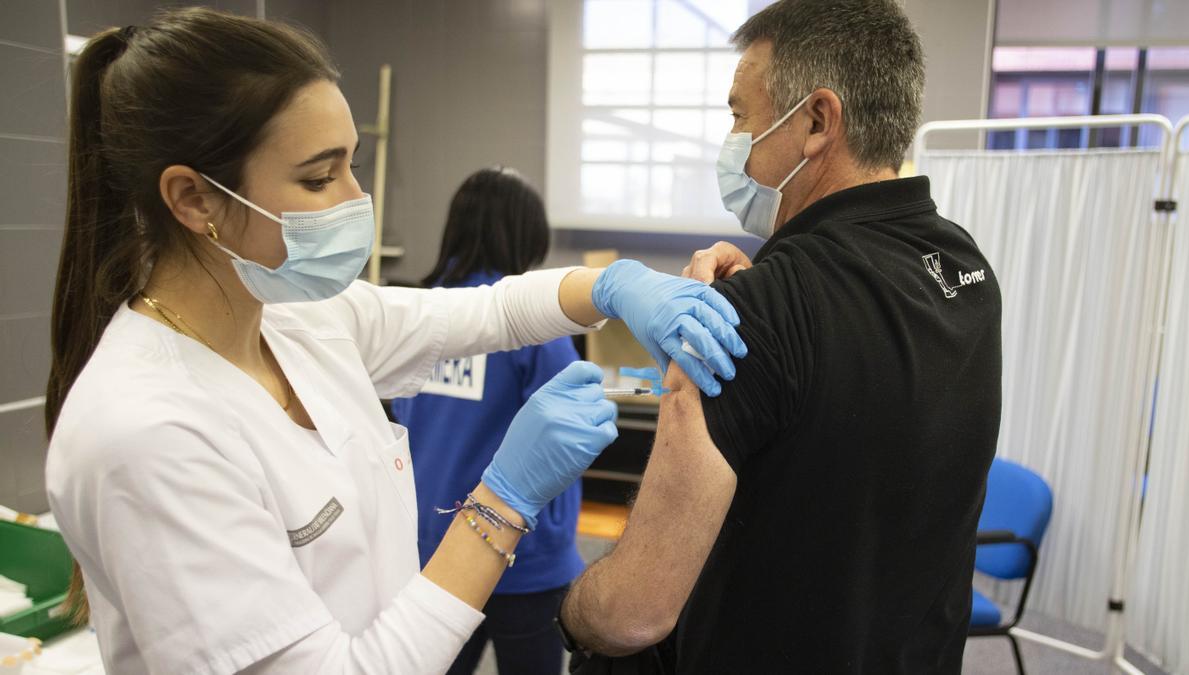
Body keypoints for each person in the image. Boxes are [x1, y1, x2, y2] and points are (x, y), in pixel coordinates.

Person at [41, 9, 746, 674]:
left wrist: (614, 285)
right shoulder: (146, 433)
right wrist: (500, 502)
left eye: (351, 163)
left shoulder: (298, 318)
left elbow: (486, 312)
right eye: (319, 176)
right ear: (194, 199)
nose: (355, 198)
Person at [557, 1, 1002, 673]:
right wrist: (765, 282)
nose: (732, 137)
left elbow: (631, 611)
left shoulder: (757, 314)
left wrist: (568, 608)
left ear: (818, 121)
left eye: (740, 114)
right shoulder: (964, 270)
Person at [391, 166, 584, 675]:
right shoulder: (533, 320)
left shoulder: (419, 314)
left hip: (433, 553)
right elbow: (576, 429)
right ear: (526, 234)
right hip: (523, 557)